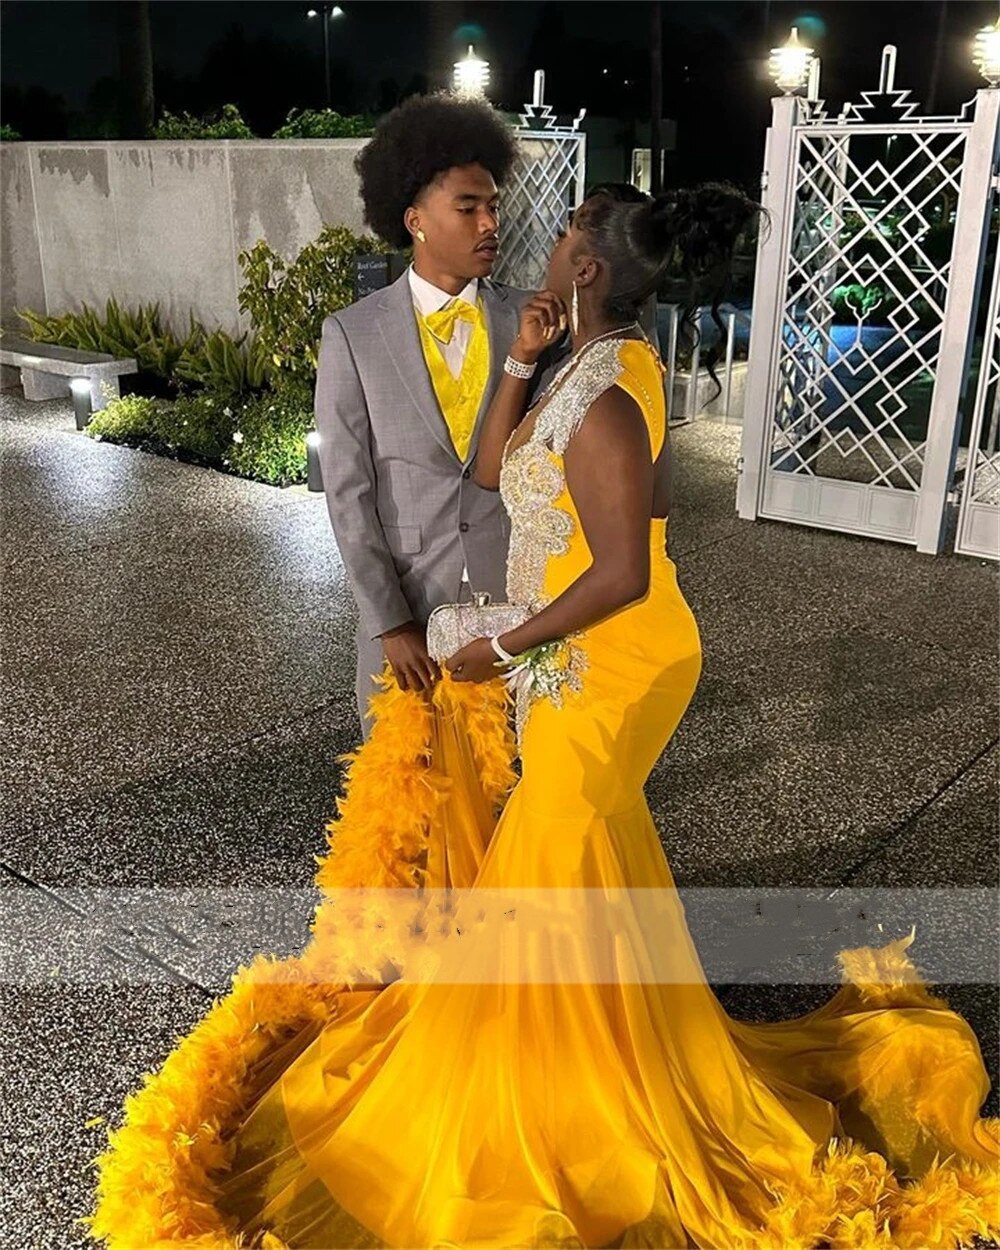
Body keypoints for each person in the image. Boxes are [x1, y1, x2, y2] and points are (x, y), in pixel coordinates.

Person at [89, 183, 999, 1250]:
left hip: (607, 661)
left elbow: (623, 569)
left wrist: (509, 642)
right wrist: (521, 360)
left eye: (564, 236)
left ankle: (561, 1086)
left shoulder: (610, 392)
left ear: (589, 268)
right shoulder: (587, 365)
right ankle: (600, 1047)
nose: (543, 245)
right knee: (584, 860)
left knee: (550, 855)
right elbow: (493, 474)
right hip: (583, 646)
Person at [313, 94, 552, 735]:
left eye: (494, 206)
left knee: (513, 773)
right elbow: (348, 492)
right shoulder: (354, 335)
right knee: (407, 778)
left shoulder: (529, 317)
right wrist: (389, 621)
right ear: (415, 220)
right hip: (412, 606)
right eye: (468, 208)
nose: (490, 223)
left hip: (516, 605)